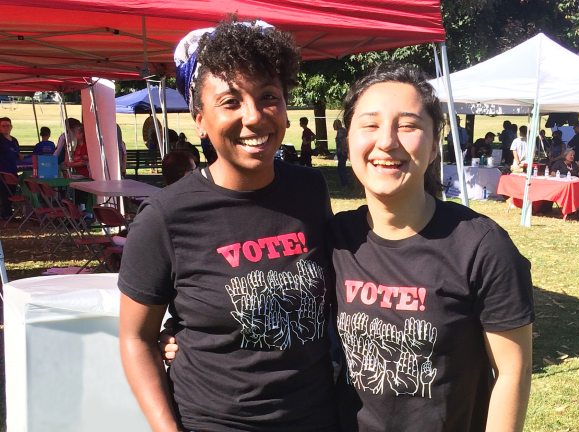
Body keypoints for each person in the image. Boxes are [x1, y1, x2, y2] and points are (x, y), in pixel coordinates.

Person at [161, 64, 535, 432]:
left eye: (407, 125)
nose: (387, 141)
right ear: (349, 141)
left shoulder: (480, 246)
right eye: (370, 125)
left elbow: (512, 372)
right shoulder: (335, 238)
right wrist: (186, 336)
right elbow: (275, 292)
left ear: (435, 143)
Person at [118, 20, 337, 432]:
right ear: (200, 120)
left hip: (319, 417)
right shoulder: (165, 218)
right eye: (230, 102)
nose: (254, 117)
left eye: (268, 96)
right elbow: (135, 338)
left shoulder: (310, 190)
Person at [0, 117, 24, 220]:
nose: (6, 128)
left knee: (12, 192)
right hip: (2, 172)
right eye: (3, 126)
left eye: (8, 125)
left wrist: (19, 155)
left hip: (13, 171)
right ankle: (5, 215)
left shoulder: (14, 140)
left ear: (11, 127)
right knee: (4, 194)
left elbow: (15, 152)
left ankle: (8, 213)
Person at [333, 119, 348, 186]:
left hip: (342, 152)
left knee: (341, 167)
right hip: (343, 151)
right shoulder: (342, 131)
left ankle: (344, 183)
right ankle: (343, 182)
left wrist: (342, 150)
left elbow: (342, 142)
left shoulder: (341, 132)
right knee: (341, 167)